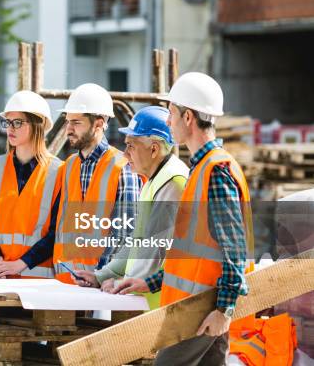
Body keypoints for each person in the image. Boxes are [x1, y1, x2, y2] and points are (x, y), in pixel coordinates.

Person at [112, 72, 254, 365]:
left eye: (172, 114)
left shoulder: (215, 172)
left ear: (188, 117)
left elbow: (235, 249)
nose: (168, 121)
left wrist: (224, 310)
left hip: (200, 310)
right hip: (196, 307)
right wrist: (150, 282)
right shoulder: (202, 170)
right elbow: (192, 253)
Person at [73, 106, 188, 310]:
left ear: (153, 149)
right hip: (148, 302)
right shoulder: (154, 180)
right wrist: (101, 276)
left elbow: (155, 250)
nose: (125, 155)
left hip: (160, 306)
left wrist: (121, 285)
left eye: (131, 146)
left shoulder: (172, 182)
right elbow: (137, 242)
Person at [53, 83, 142, 283]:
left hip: (102, 286)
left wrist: (100, 275)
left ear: (99, 123)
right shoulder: (69, 166)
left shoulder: (123, 167)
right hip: (65, 281)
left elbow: (125, 233)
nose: (68, 129)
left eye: (76, 122)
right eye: (68, 122)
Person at [0, 90, 62, 279]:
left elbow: (58, 232)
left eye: (18, 122)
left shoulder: (59, 172)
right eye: (8, 122)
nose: (10, 128)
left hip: (37, 283)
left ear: (38, 125)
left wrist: (20, 264)